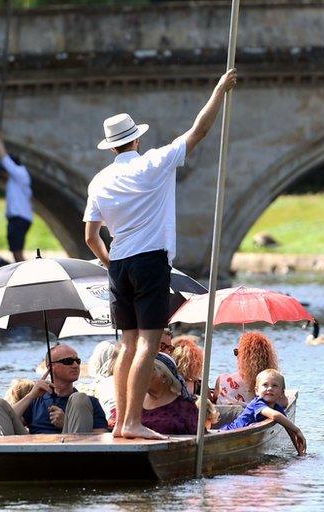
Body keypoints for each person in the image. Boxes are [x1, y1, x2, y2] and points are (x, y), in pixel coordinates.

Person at [82, 68, 238, 440]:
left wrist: (110, 264)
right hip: (150, 261)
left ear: (111, 147)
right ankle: (133, 422)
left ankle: (120, 422)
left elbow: (90, 237)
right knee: (149, 345)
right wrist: (219, 89)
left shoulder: (99, 181)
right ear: (135, 140)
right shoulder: (154, 162)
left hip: (118, 263)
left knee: (127, 344)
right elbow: (199, 131)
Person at [18, 344, 109, 435]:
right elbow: (8, 421)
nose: (75, 365)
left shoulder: (89, 403)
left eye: (78, 361)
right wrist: (30, 396)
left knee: (79, 398)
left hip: (72, 446)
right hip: (36, 447)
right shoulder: (35, 401)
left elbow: (101, 437)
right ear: (51, 367)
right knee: (2, 405)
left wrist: (66, 424)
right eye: (68, 361)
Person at [220, 369, 306, 456]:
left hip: (241, 438)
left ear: (282, 392)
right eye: (265, 385)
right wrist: (297, 430)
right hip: (229, 432)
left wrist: (300, 452)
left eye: (274, 385)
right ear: (257, 391)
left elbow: (288, 429)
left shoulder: (277, 407)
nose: (269, 388)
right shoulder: (258, 403)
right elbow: (275, 415)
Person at [0, 130, 33, 263]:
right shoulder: (15, 181)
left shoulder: (19, 173)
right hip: (18, 218)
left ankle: (28, 275)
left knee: (17, 253)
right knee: (16, 252)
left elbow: (5, 160)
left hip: (19, 218)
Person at [214, 331, 285, 407]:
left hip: (223, 417)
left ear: (242, 357)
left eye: (237, 352)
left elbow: (214, 400)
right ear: (267, 357)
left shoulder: (222, 380)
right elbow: (283, 402)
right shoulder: (269, 383)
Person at [141, 354, 206, 435]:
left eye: (149, 371)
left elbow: (201, 439)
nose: (142, 376)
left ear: (164, 377)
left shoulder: (185, 406)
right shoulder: (135, 403)